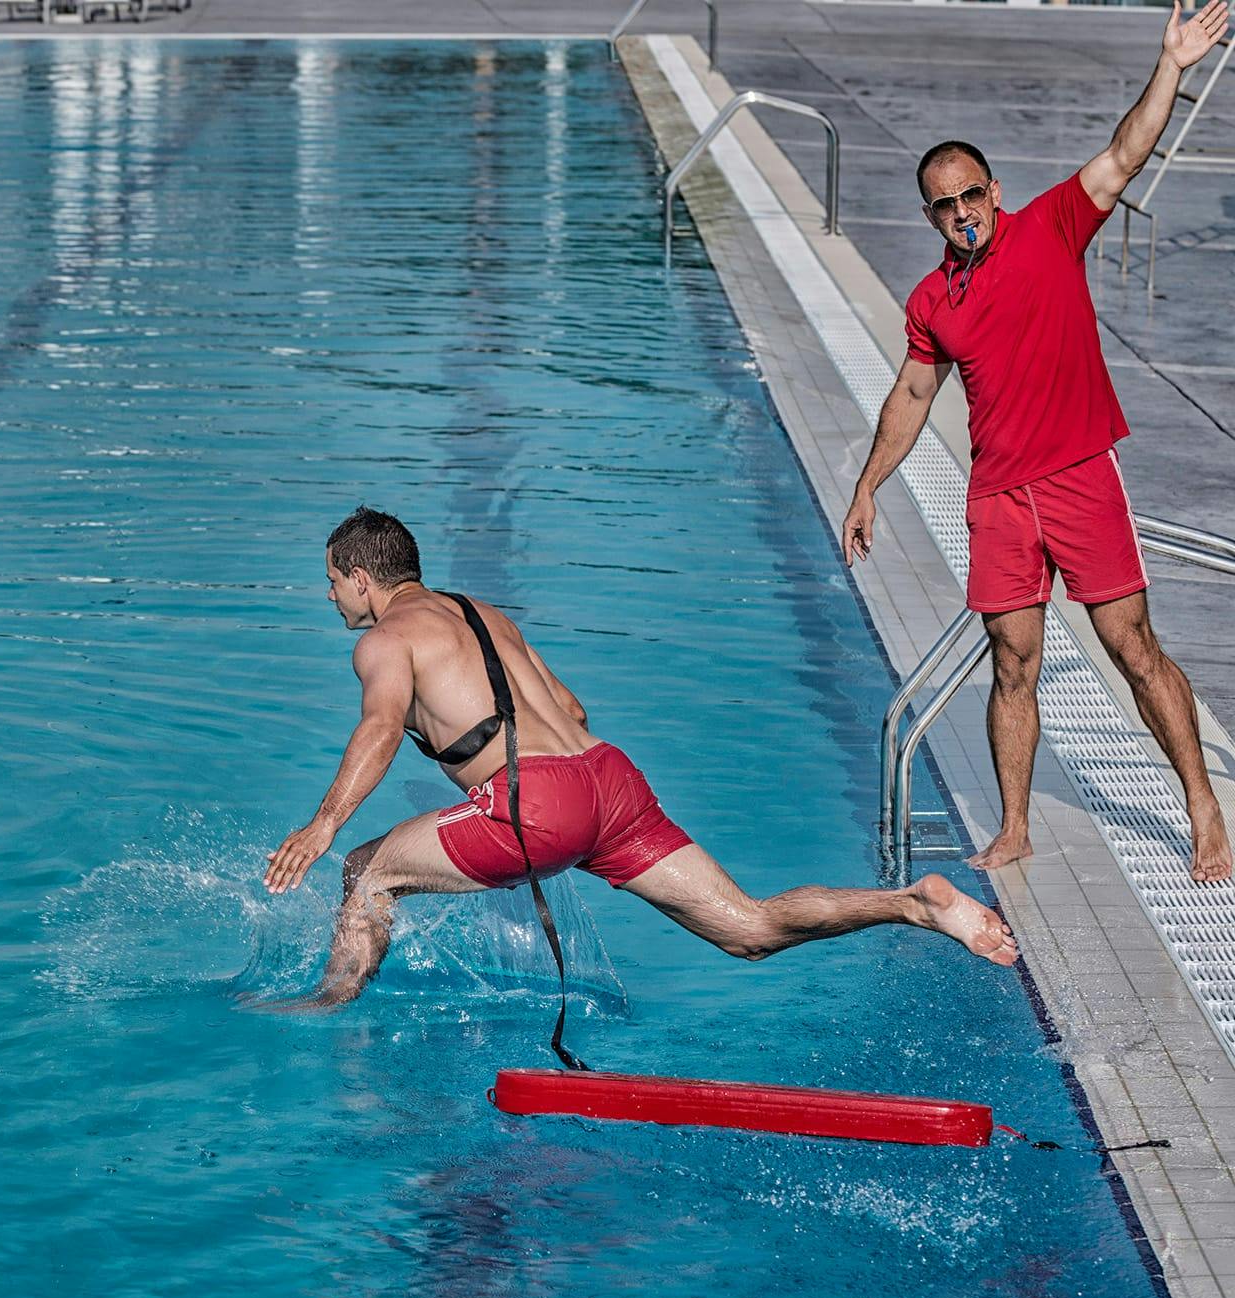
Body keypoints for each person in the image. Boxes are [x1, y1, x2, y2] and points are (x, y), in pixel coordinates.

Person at [262, 508, 1017, 1009]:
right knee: (748, 929)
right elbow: (575, 710)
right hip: (610, 782)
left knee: (365, 868)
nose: (331, 598)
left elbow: (382, 727)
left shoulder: (384, 639)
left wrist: (324, 824)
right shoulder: (480, 613)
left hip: (540, 805)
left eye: (333, 583)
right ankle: (914, 903)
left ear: (363, 577)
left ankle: (323, 1015)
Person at [842, 0, 1232, 883]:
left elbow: (1127, 150)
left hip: (1079, 475)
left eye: (971, 196)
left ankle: (1202, 806)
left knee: (1132, 648)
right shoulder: (931, 301)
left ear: (995, 192)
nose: (962, 214)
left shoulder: (1055, 224)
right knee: (1012, 663)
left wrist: (1171, 63)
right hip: (999, 495)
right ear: (931, 216)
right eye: (943, 206)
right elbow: (911, 393)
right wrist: (868, 486)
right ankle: (1015, 826)